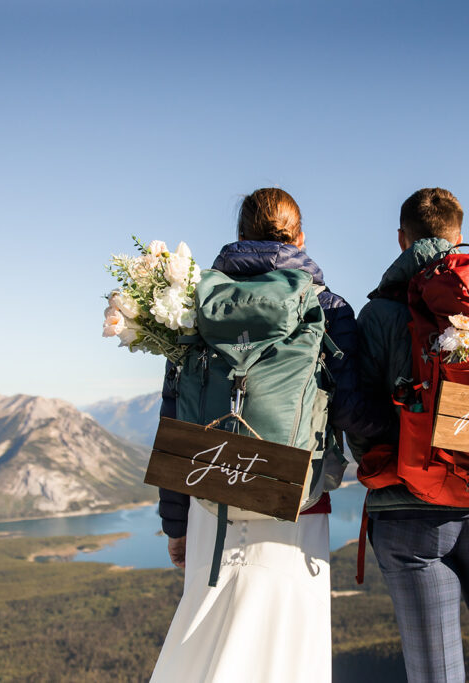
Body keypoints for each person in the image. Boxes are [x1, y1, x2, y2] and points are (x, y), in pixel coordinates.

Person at [150, 188, 384, 683]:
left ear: (239, 237)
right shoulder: (326, 306)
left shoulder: (200, 306)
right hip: (294, 503)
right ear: (299, 236)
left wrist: (175, 524)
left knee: (204, 639)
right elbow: (349, 410)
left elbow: (175, 417)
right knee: (286, 648)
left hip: (210, 497)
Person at [347, 188, 469, 682]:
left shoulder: (381, 314)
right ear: (459, 234)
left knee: (435, 672)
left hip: (409, 510)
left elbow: (357, 410)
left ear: (401, 239)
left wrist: (398, 449)